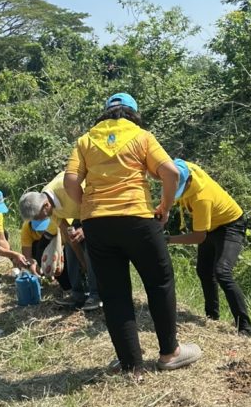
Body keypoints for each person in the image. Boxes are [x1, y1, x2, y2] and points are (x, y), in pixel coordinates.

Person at [64, 92, 202, 378]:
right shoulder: (142, 136)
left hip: (98, 225)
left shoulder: (86, 140)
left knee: (114, 294)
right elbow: (171, 173)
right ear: (133, 113)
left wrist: (88, 207)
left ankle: (131, 366)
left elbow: (70, 181)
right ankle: (169, 353)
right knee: (160, 282)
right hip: (138, 218)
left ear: (106, 113)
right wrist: (165, 207)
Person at [166, 159, 251, 336]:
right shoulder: (180, 168)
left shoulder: (201, 198)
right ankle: (211, 316)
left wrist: (168, 239)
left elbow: (199, 236)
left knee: (222, 272)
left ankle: (244, 327)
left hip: (230, 225)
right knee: (204, 270)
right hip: (211, 225)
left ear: (188, 181)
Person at [18, 172, 103, 312]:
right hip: (79, 216)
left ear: (46, 206)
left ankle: (96, 295)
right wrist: (82, 262)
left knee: (89, 248)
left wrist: (85, 229)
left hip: (98, 211)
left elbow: (97, 205)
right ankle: (78, 295)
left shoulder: (67, 189)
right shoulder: (47, 206)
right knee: (70, 250)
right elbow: (67, 235)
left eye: (38, 217)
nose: (39, 221)